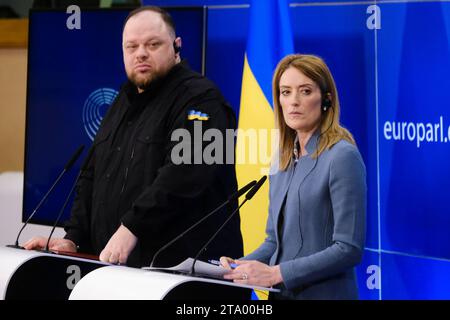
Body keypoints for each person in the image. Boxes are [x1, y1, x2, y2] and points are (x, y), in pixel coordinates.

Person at [24, 6, 243, 268]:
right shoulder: (121, 101)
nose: (141, 53)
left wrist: (131, 228)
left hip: (182, 274)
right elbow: (91, 175)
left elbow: (186, 176)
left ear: (177, 46)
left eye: (153, 44)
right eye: (132, 46)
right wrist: (74, 238)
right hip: (116, 270)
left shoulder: (203, 100)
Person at [220, 54, 366, 300]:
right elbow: (273, 242)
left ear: (326, 100)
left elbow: (348, 249)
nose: (294, 102)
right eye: (285, 92)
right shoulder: (282, 159)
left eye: (305, 91)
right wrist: (239, 266)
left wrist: (277, 273)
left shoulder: (342, 156)